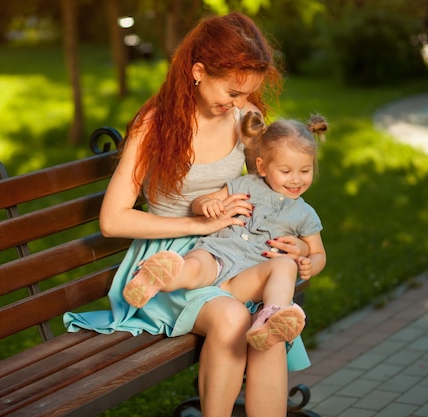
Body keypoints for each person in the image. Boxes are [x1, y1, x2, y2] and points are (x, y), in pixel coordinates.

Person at [64, 13, 310, 417]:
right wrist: (200, 223)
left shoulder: (243, 116)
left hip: (234, 251)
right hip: (169, 267)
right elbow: (113, 220)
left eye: (246, 93)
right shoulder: (155, 125)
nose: (238, 103)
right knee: (232, 319)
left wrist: (296, 241)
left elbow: (266, 187)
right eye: (231, 91)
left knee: (269, 324)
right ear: (198, 72)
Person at [123, 111, 328, 352]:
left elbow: (319, 253)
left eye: (305, 171)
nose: (296, 180)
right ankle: (156, 279)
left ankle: (271, 319)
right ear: (262, 167)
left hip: (248, 276)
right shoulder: (246, 184)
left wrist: (311, 264)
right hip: (217, 254)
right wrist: (207, 205)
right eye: (286, 171)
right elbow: (203, 200)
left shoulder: (305, 214)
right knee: (196, 264)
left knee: (286, 266)